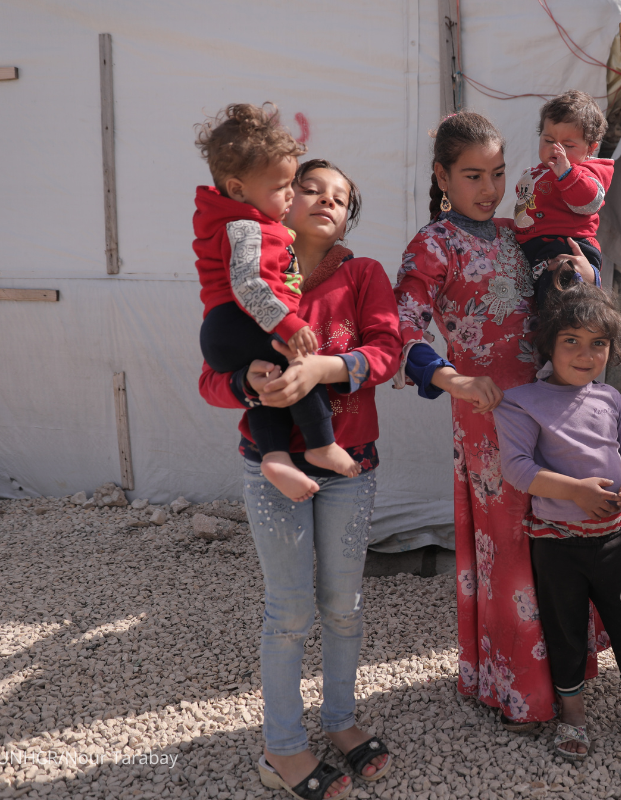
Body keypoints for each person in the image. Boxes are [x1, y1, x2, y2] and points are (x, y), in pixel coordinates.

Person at [393, 111, 603, 730]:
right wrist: (453, 377)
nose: (488, 189)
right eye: (473, 175)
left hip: (550, 402)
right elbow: (403, 324)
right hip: (485, 412)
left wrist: (583, 274)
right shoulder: (432, 246)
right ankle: (522, 690)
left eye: (498, 173)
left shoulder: (520, 233)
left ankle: (571, 677)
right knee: (509, 547)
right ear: (442, 176)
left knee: (560, 535)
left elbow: (577, 288)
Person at [199, 158, 399, 799]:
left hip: (350, 464)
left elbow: (387, 352)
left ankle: (339, 721)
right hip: (271, 467)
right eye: (310, 187)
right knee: (288, 611)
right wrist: (244, 381)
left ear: (348, 217)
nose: (324, 199)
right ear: (282, 200)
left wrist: (324, 370)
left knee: (343, 605)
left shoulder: (363, 274)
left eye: (340, 196)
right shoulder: (251, 272)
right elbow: (210, 374)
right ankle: (281, 749)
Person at [492, 282, 621, 760]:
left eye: (598, 343)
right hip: (558, 546)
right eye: (571, 341)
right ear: (549, 346)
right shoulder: (521, 401)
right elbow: (516, 468)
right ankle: (573, 716)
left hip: (616, 542)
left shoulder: (610, 400)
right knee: (566, 629)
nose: (585, 353)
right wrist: (575, 490)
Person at [194, 103, 359, 504]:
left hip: (225, 329)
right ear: (237, 189)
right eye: (283, 187)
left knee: (268, 379)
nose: (289, 195)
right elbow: (250, 286)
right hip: (238, 321)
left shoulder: (236, 219)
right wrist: (288, 323)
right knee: (296, 359)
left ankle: (275, 456)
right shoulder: (246, 227)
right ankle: (320, 442)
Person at [512, 90, 613, 306]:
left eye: (568, 146)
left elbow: (589, 201)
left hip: (568, 247)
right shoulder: (537, 172)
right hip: (536, 250)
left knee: (560, 306)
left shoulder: (586, 172)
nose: (556, 150)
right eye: (548, 139)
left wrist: (568, 175)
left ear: (591, 148)